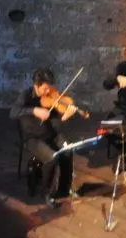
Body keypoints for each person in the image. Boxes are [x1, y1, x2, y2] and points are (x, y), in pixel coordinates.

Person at [9, 67, 80, 204]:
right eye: (45, 89)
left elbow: (54, 117)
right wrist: (34, 110)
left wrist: (64, 116)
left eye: (49, 88)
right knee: (51, 158)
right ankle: (47, 192)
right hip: (32, 137)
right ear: (36, 85)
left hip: (50, 133)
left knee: (68, 151)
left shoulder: (50, 97)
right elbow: (13, 112)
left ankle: (65, 188)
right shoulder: (26, 95)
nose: (48, 92)